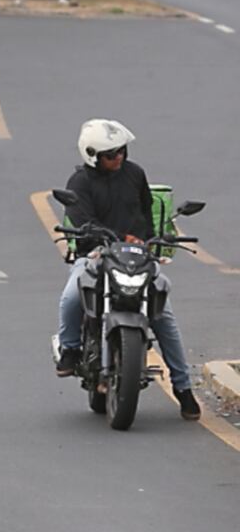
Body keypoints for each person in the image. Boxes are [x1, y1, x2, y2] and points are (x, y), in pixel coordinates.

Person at [55, 119, 201, 420]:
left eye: (121, 151)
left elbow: (146, 213)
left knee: (165, 315)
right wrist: (96, 238)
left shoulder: (134, 174)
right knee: (71, 296)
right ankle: (69, 349)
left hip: (136, 256)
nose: (118, 158)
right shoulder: (80, 183)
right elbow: (81, 219)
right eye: (110, 154)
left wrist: (149, 238)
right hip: (95, 254)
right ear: (92, 155)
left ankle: (183, 388)